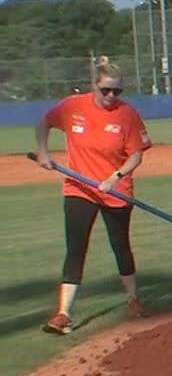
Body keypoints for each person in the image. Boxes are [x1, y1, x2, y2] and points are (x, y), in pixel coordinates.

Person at [33, 56, 152, 335]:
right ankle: (64, 314)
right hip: (80, 187)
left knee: (120, 245)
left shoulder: (127, 114)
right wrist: (43, 151)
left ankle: (133, 300)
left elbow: (136, 155)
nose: (112, 96)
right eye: (106, 90)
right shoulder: (73, 107)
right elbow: (44, 122)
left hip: (116, 190)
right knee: (76, 248)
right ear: (94, 86)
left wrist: (115, 177)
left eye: (117, 91)